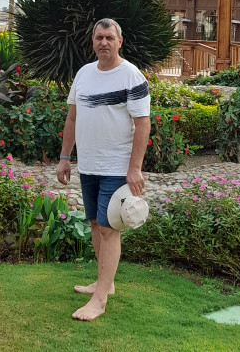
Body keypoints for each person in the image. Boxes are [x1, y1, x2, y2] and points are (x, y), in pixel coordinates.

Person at [57, 18, 151, 321]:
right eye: (99, 37)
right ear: (93, 42)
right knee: (96, 224)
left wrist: (135, 168)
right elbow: (72, 118)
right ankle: (104, 284)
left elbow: (143, 124)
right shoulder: (84, 74)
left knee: (110, 229)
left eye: (109, 37)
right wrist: (64, 157)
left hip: (116, 167)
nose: (104, 42)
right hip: (89, 165)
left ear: (119, 42)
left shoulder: (131, 76)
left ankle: (99, 300)